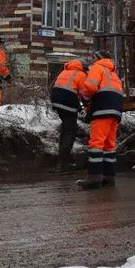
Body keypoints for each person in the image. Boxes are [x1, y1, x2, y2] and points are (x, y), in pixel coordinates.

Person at [77, 50, 125, 190]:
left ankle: (93, 179)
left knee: (96, 144)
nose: (92, 60)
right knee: (109, 146)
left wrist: (85, 100)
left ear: (99, 59)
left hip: (102, 110)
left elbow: (91, 87)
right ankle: (108, 178)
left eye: (93, 57)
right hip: (115, 112)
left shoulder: (97, 68)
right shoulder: (114, 74)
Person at [50, 59, 88, 174]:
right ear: (83, 67)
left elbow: (69, 88)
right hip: (67, 101)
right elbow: (83, 94)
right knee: (71, 130)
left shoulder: (65, 71)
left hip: (56, 100)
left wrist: (80, 108)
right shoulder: (81, 74)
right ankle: (63, 165)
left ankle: (60, 162)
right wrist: (86, 104)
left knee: (66, 128)